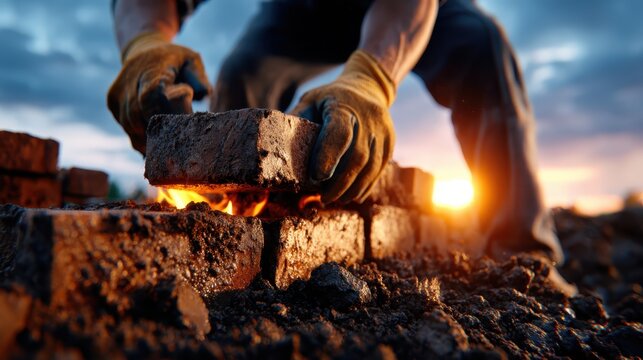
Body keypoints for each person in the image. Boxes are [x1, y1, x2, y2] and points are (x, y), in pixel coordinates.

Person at [108, 0, 576, 294]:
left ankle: (525, 256)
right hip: (300, 11)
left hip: (402, 8)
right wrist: (143, 46)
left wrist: (372, 79)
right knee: (242, 75)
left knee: (482, 45)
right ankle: (245, 215)